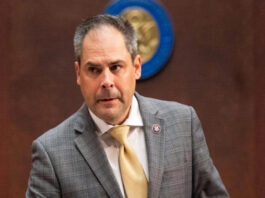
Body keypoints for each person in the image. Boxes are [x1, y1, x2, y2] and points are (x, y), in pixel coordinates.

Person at [26, 14, 229, 198]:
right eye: (94, 70)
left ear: (136, 67)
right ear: (78, 73)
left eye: (116, 67)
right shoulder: (51, 153)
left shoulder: (182, 124)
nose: (106, 81)